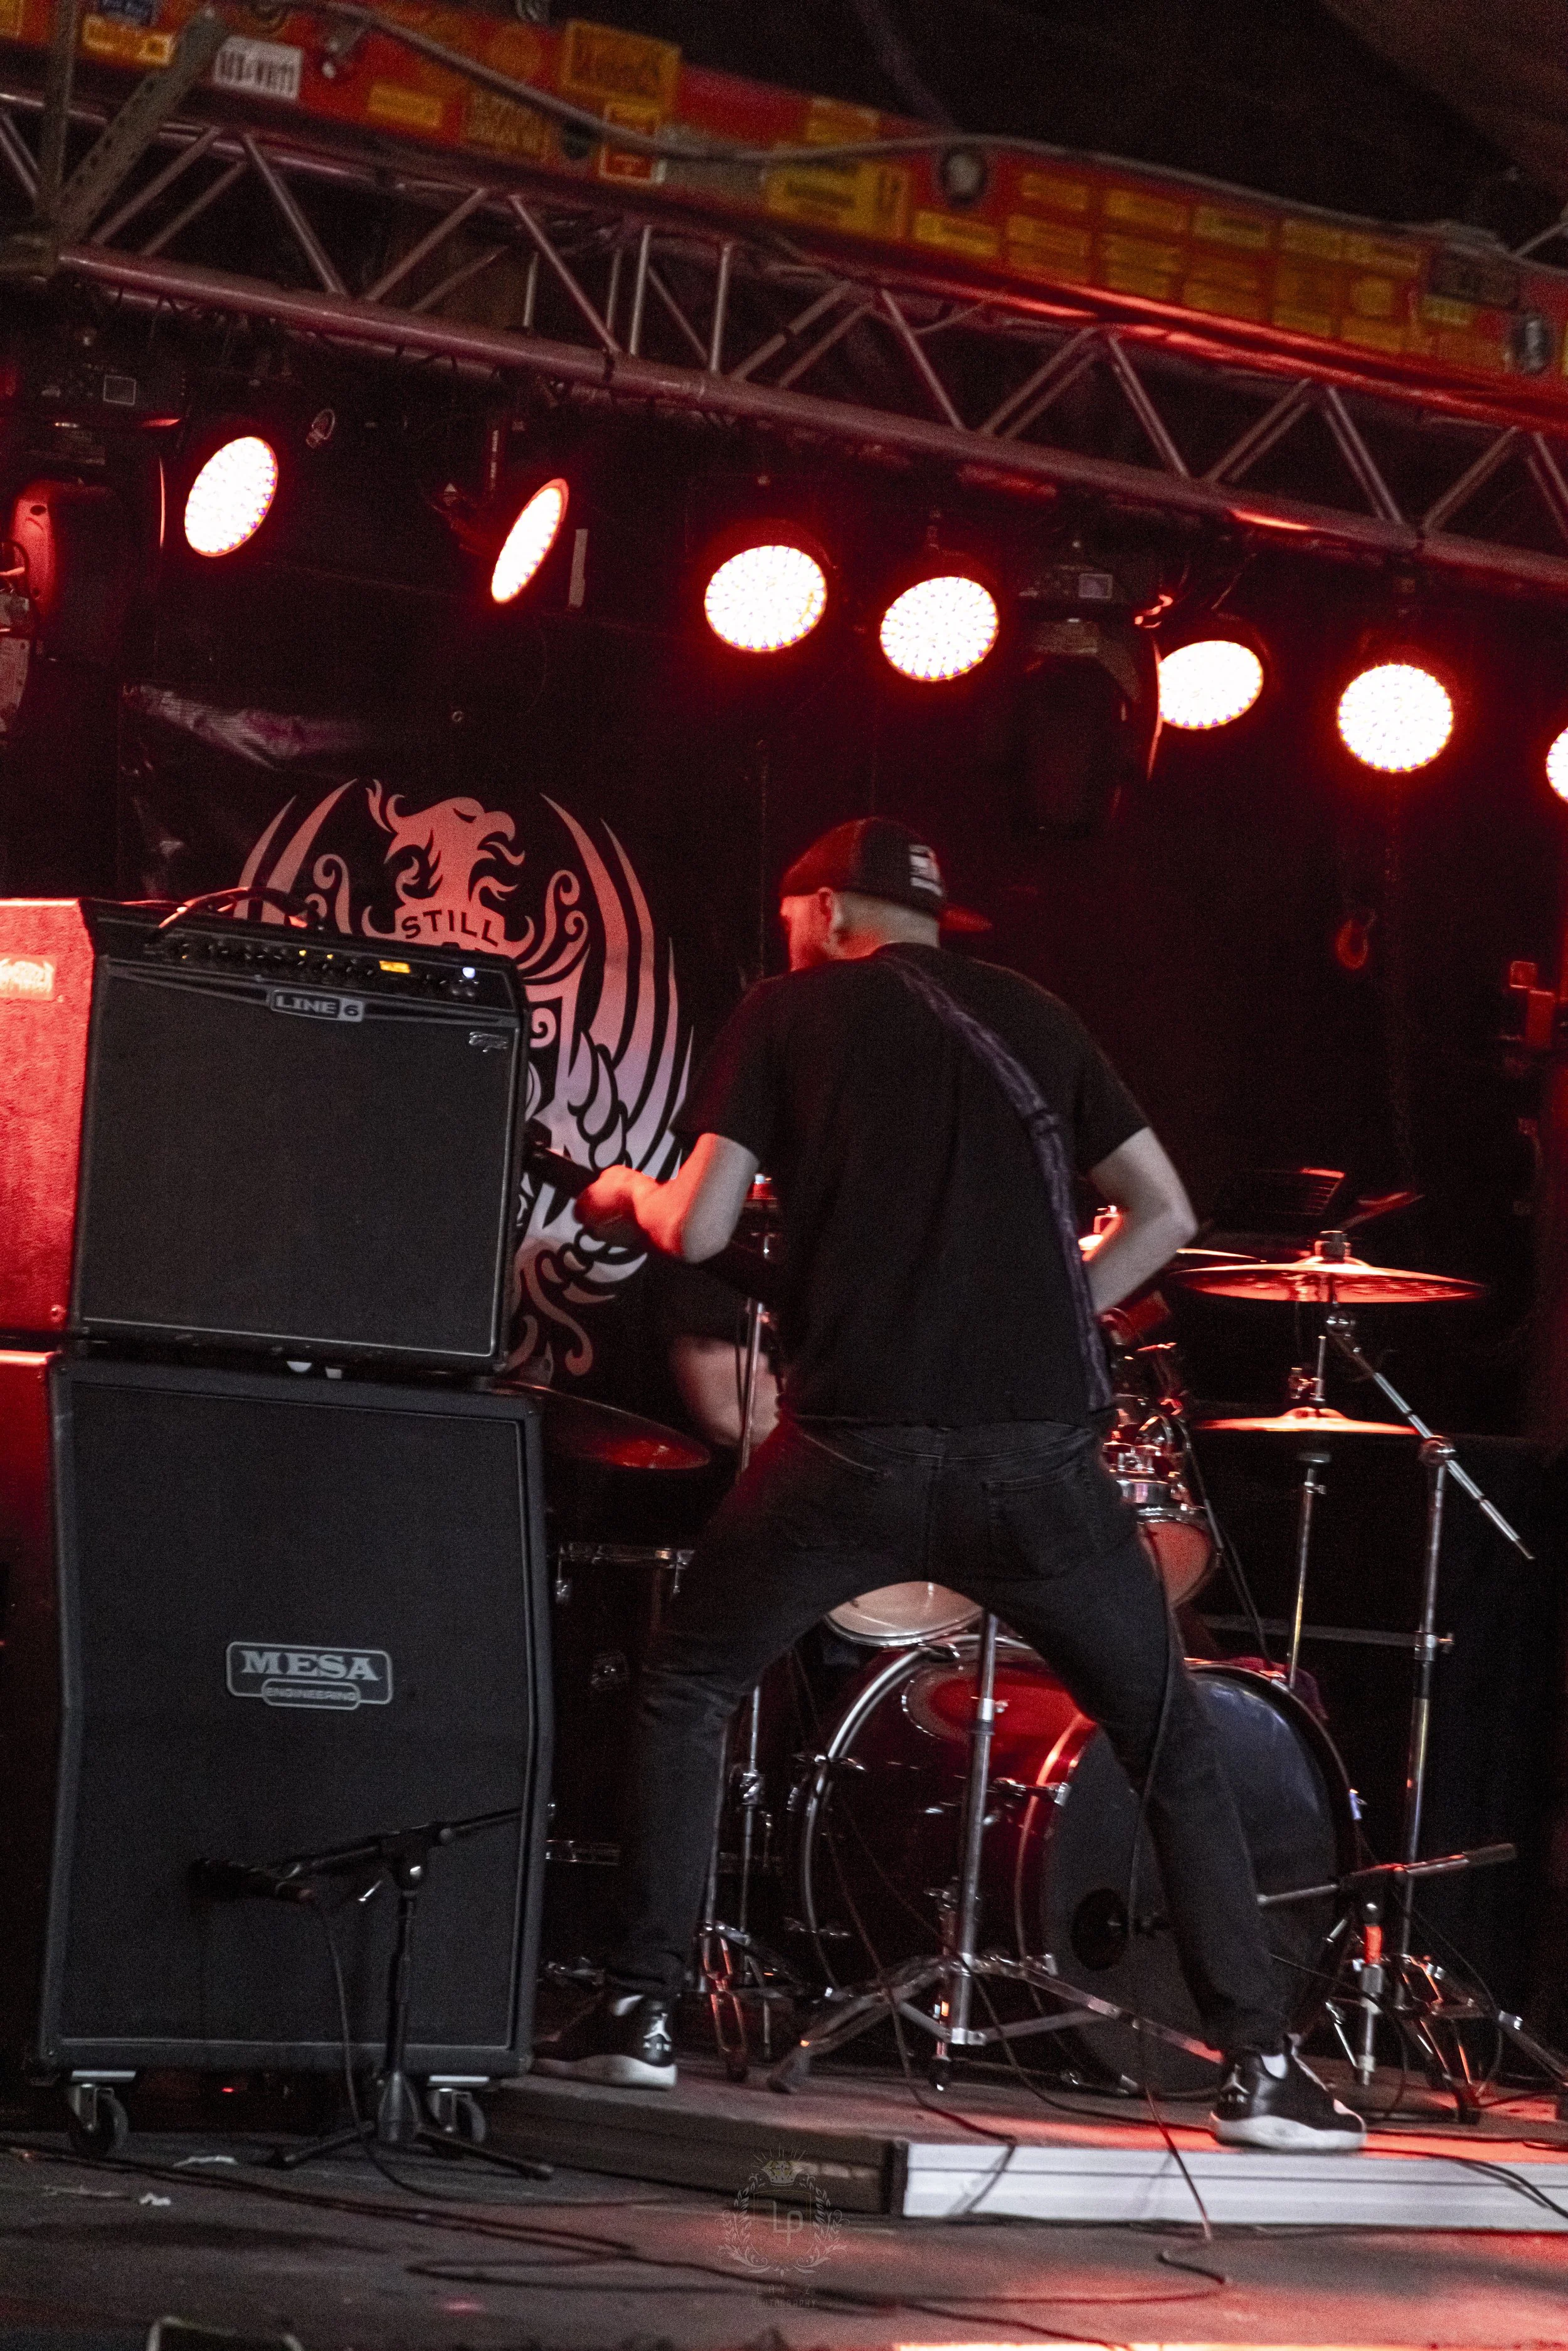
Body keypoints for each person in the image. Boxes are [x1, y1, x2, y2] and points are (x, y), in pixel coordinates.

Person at [535, 815, 1364, 2154]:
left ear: (823, 911)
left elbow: (697, 1225)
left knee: (689, 1689)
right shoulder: (1033, 1013)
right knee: (1166, 1738)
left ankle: (639, 2010)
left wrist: (627, 1192)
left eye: (791, 919)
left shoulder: (786, 1011)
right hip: (1033, 1466)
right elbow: (1164, 1210)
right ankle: (1263, 2070)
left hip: (846, 1452)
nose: (788, 937)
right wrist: (1061, 1312)